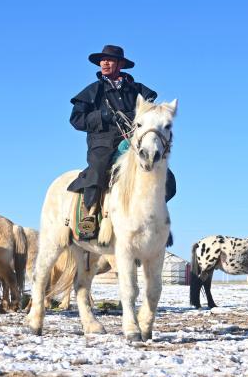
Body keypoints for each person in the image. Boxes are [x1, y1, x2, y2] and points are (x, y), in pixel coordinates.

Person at [68, 45, 176, 239]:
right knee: (98, 168)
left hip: (132, 141)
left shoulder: (137, 90)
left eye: (109, 60)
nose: (104, 63)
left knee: (166, 177)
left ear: (120, 64)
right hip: (102, 143)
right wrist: (102, 116)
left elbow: (152, 109)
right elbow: (76, 120)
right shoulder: (93, 90)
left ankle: (157, 218)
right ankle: (90, 215)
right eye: (102, 60)